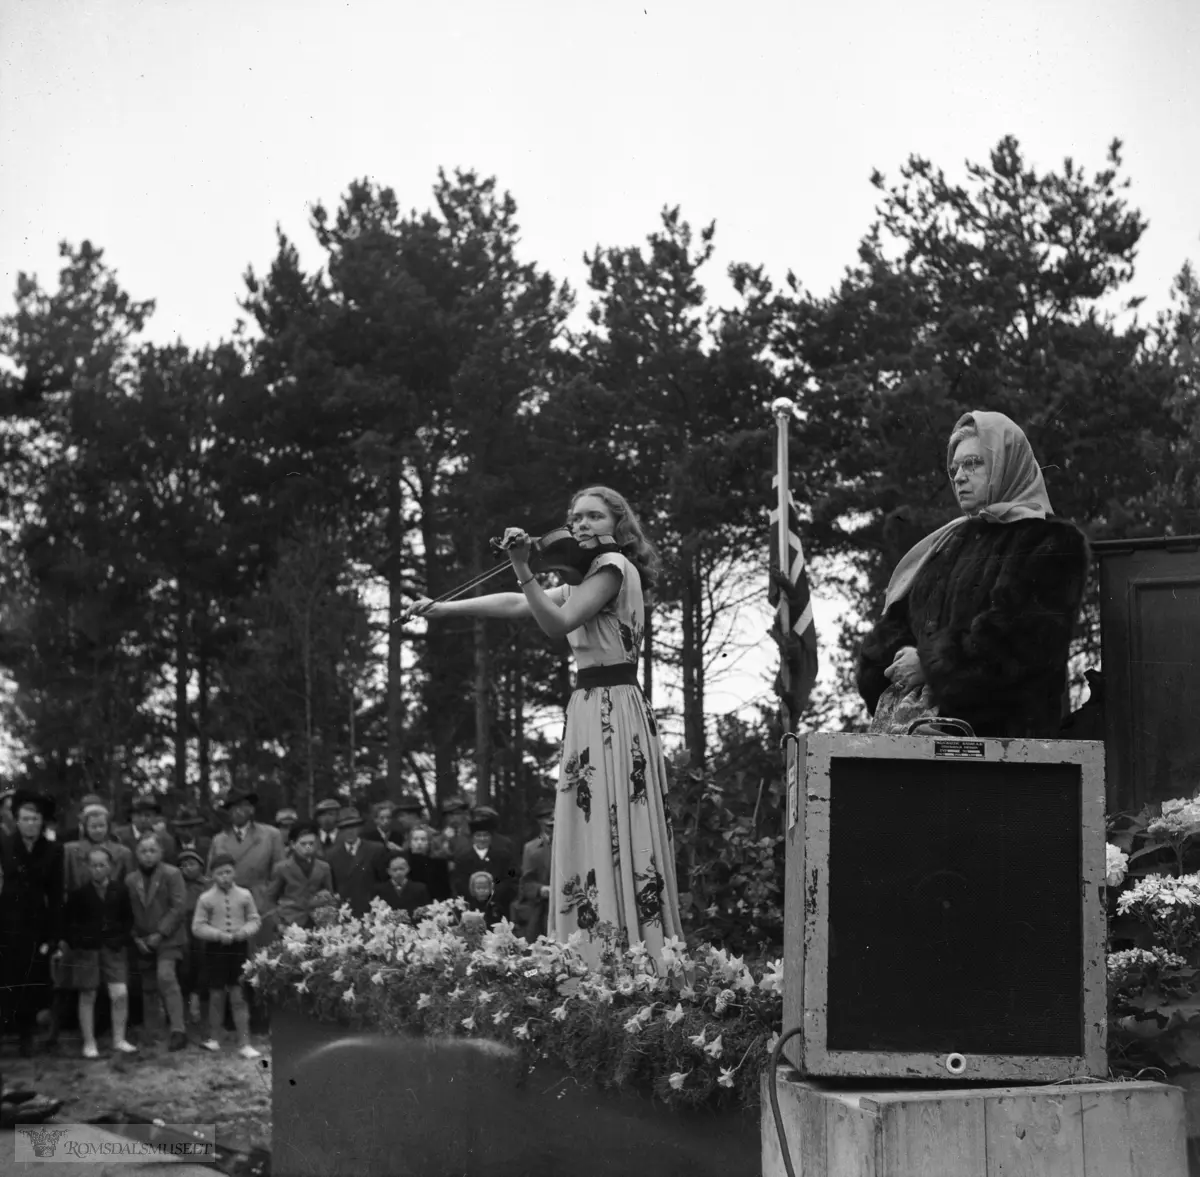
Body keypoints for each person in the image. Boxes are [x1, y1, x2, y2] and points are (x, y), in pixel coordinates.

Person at [410, 486, 683, 968]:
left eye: (594, 517)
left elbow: (556, 624)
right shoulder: (586, 573)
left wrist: (523, 567)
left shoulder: (614, 568)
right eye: (575, 516)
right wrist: (444, 608)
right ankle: (597, 948)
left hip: (610, 705)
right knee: (595, 819)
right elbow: (520, 605)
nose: (581, 524)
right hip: (590, 705)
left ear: (618, 525)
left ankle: (624, 956)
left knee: (611, 818)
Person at [857, 411, 1090, 739]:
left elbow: (1020, 643)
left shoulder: (1050, 540)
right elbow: (895, 627)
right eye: (954, 469)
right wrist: (892, 666)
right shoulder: (946, 545)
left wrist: (929, 665)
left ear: (1007, 462)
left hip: (1010, 751)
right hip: (919, 742)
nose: (959, 477)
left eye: (973, 464)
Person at [0, 790, 63, 1056]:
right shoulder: (4, 845)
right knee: (6, 978)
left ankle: (27, 1035)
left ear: (42, 821)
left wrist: (54, 936)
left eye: (35, 819)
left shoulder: (52, 850)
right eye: (25, 819)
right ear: (16, 820)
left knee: (32, 981)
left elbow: (56, 895)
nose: (30, 824)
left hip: (36, 924)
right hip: (6, 921)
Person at [59, 846, 137, 1059]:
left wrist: (120, 939)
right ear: (86, 867)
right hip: (88, 950)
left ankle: (119, 1039)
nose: (98, 869)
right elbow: (68, 925)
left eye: (102, 865)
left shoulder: (120, 891)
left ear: (110, 867)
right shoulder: (79, 895)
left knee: (119, 992)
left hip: (113, 948)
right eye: (93, 865)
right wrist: (80, 941)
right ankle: (89, 1042)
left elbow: (128, 920)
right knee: (88, 993)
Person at [192, 853, 262, 1059]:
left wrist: (244, 932)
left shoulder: (244, 895)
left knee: (238, 995)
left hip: (238, 949)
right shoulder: (205, 899)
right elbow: (197, 926)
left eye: (228, 872)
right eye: (220, 873)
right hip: (216, 950)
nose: (224, 877)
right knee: (216, 994)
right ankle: (214, 1038)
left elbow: (255, 920)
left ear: (235, 872)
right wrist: (218, 935)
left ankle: (245, 1042)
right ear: (212, 875)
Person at [126, 833, 189, 1051]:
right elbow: (127, 912)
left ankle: (178, 1030)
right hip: (143, 940)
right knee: (148, 985)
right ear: (137, 853)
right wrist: (136, 937)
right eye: (143, 851)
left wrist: (160, 934)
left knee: (166, 977)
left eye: (153, 851)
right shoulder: (130, 879)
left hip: (169, 939)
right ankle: (153, 1031)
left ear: (161, 852)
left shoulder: (172, 874)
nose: (148, 856)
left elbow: (178, 907)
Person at [205, 789, 285, 949]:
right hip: (228, 907)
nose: (238, 811)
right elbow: (209, 877)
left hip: (261, 905)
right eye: (232, 807)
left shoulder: (270, 835)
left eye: (242, 806)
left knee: (262, 956)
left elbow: (280, 874)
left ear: (252, 809)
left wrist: (268, 901)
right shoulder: (219, 840)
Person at [265, 826, 333, 930]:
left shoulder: (324, 867)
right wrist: (278, 923)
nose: (308, 847)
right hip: (290, 921)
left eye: (311, 843)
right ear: (292, 844)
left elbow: (329, 895)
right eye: (303, 844)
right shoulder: (281, 868)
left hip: (318, 921)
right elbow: (270, 898)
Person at [327, 808, 387, 917]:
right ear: (340, 831)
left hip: (372, 909)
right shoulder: (331, 855)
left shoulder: (375, 849)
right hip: (345, 911)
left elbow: (383, 881)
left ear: (359, 828)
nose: (350, 831)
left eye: (353, 827)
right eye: (345, 828)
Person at [510, 798, 554, 942]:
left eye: (553, 816)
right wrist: (542, 890)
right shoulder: (531, 848)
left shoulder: (575, 844)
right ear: (538, 821)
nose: (550, 821)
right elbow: (525, 885)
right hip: (543, 913)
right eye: (545, 817)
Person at [452, 815, 517, 910]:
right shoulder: (462, 857)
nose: (482, 839)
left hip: (498, 903)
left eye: (485, 835)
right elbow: (459, 881)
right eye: (478, 835)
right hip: (470, 905)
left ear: (491, 837)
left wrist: (493, 893)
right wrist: (475, 894)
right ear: (472, 838)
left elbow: (510, 877)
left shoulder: (503, 856)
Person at [177, 850, 209, 1025]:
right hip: (183, 930)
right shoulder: (177, 885)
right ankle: (184, 1008)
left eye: (191, 864)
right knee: (184, 967)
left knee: (203, 964)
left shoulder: (208, 885)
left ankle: (197, 1004)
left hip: (203, 930)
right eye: (183, 865)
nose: (187, 868)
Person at [117, 796, 178, 865]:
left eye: (147, 815)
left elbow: (170, 865)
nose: (143, 819)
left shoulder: (166, 840)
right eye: (139, 815)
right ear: (132, 816)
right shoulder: (119, 836)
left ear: (155, 817)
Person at [403, 825, 452, 901]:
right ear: (410, 842)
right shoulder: (403, 862)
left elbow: (445, 891)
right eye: (415, 839)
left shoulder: (439, 863)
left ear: (429, 842)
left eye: (423, 839)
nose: (419, 843)